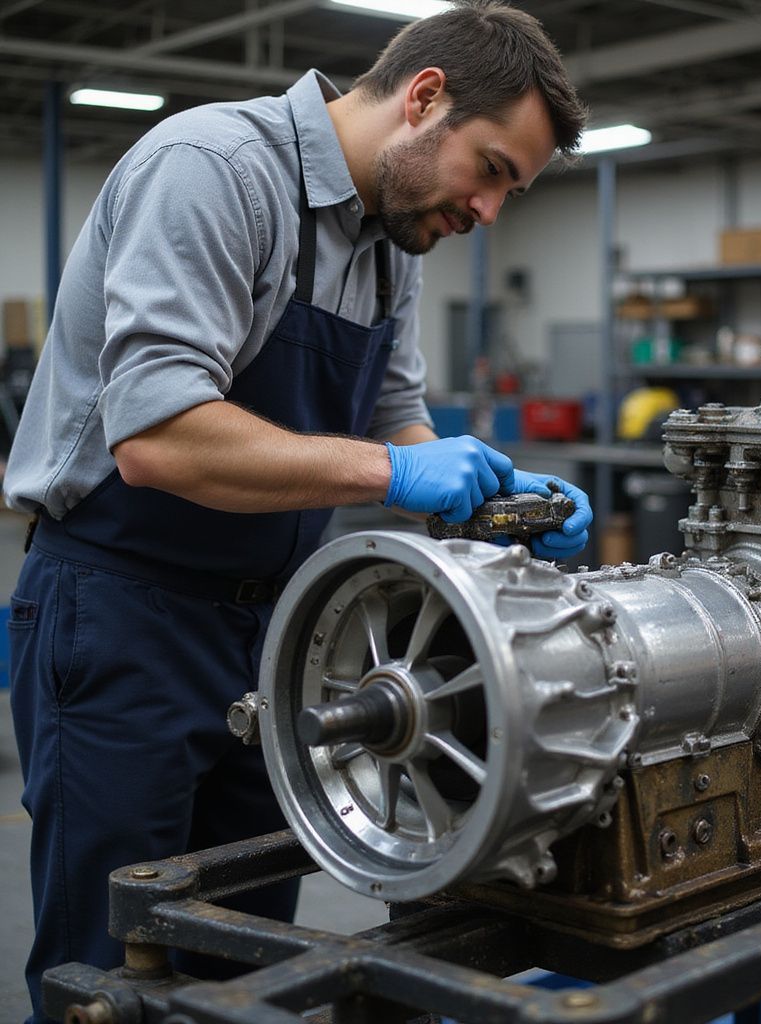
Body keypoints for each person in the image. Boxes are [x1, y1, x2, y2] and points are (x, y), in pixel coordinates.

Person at [2, 2, 591, 1019]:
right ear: (424, 98)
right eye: (491, 170)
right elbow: (158, 434)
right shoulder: (215, 170)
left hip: (277, 632)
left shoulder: (390, 240)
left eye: (513, 190)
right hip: (123, 613)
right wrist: (393, 477)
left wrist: (497, 499)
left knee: (247, 957)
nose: (490, 211)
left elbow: (397, 417)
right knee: (110, 970)